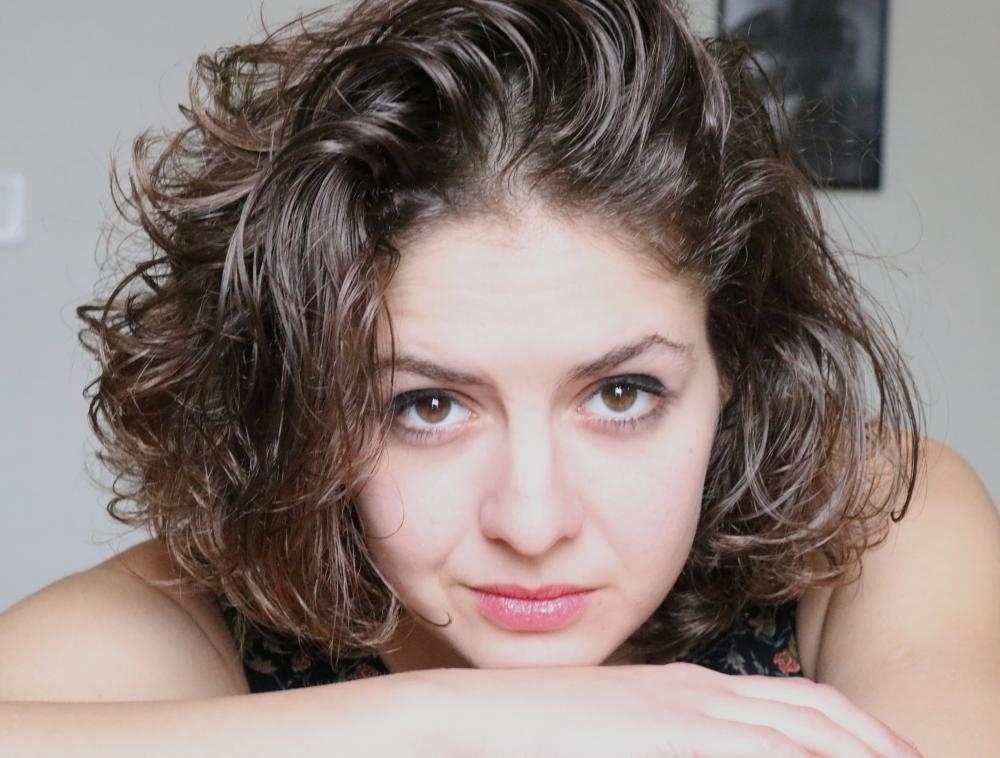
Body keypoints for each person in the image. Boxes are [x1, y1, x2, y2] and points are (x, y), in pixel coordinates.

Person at [1, 0, 997, 755]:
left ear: (734, 360)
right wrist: (460, 717)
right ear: (308, 394)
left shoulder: (870, 519)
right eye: (426, 405)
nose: (531, 521)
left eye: (622, 394)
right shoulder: (206, 616)